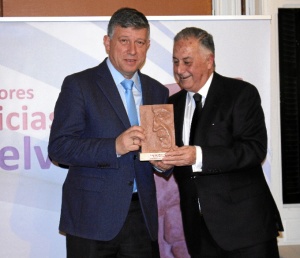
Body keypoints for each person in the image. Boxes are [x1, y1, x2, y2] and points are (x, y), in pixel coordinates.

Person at [48, 7, 170, 258]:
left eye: (139, 42)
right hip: (91, 218)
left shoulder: (157, 90)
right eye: (124, 41)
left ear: (147, 46)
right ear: (107, 42)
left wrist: (164, 163)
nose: (132, 51)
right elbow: (59, 148)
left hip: (141, 217)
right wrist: (114, 146)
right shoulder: (79, 85)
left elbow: (161, 155)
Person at [156, 27, 284, 257]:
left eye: (187, 61)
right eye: (175, 61)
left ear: (209, 61)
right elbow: (170, 155)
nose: (179, 70)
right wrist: (162, 163)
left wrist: (199, 156)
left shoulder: (241, 93)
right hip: (198, 231)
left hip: (246, 229)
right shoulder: (170, 105)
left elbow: (254, 150)